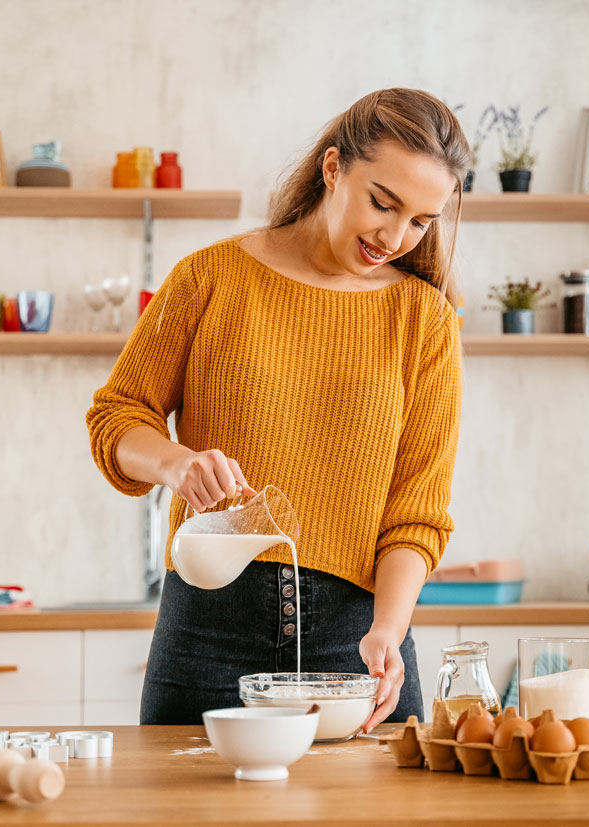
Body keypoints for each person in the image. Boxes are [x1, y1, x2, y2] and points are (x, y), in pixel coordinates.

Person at [86, 87, 467, 732]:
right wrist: (177, 464)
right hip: (207, 631)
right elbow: (117, 417)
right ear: (332, 167)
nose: (394, 237)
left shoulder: (423, 320)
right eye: (383, 203)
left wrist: (388, 630)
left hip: (358, 643)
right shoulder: (208, 278)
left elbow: (417, 510)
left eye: (421, 222)